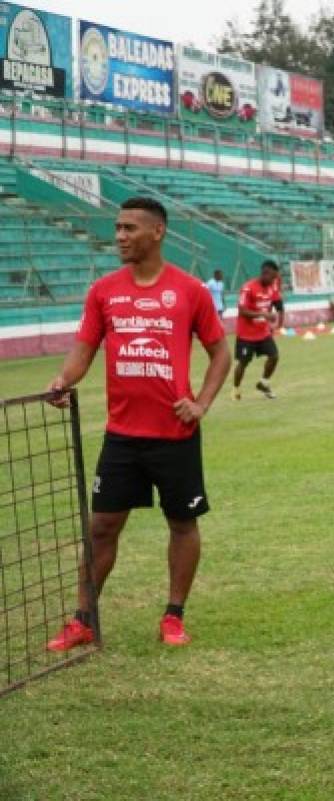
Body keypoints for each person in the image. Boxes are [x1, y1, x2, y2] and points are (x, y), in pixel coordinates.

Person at [44, 196, 231, 651]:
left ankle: (173, 615)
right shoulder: (104, 291)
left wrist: (201, 402)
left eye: (129, 228)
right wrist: (64, 380)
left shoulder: (189, 291)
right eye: (118, 228)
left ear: (157, 232)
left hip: (175, 435)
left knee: (182, 523)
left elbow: (220, 352)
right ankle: (83, 619)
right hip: (122, 435)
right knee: (102, 527)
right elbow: (85, 347)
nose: (120, 237)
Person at [231, 260, 284, 400]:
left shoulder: (272, 288)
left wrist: (278, 322)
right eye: (272, 277)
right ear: (265, 273)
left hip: (263, 333)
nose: (274, 280)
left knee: (274, 356)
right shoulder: (248, 288)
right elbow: (242, 311)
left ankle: (263, 383)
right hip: (246, 335)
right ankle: (236, 389)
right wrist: (263, 314)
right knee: (243, 363)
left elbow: (279, 305)